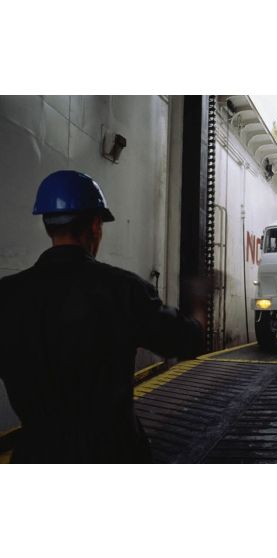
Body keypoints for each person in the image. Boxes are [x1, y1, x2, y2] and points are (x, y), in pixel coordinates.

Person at [0, 170, 204, 463]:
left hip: (35, 453)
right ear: (95, 226)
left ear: (47, 226)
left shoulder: (7, 295)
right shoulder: (122, 289)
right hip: (112, 452)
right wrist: (197, 303)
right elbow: (187, 342)